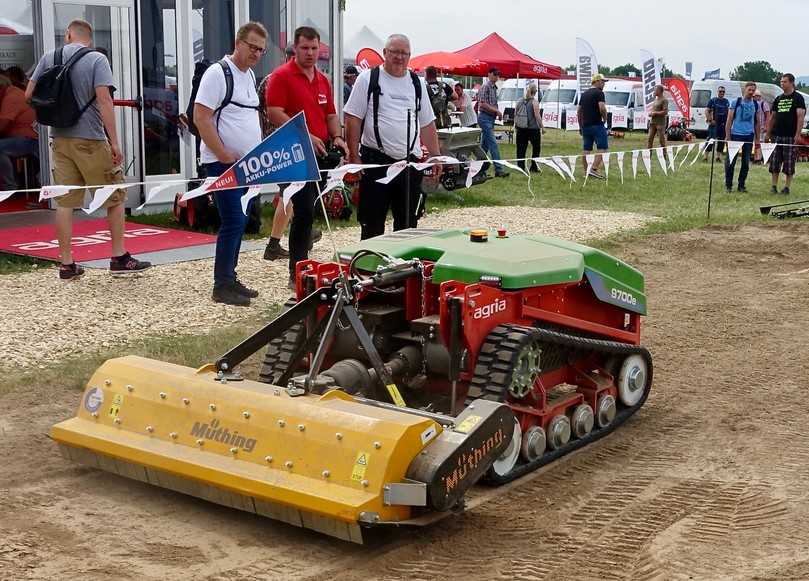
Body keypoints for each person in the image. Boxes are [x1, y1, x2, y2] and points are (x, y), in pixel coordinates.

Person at [26, 19, 151, 280]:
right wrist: (114, 142)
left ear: (68, 35)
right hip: (91, 139)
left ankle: (67, 264)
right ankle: (118, 257)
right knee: (114, 197)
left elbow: (29, 95)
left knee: (65, 202)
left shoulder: (50, 56)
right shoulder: (96, 59)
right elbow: (104, 99)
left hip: (59, 138)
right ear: (89, 39)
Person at [264, 26, 347, 288]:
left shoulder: (322, 80)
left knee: (309, 211)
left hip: (322, 153)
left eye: (314, 48)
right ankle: (297, 271)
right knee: (302, 212)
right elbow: (274, 112)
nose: (310, 53)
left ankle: (302, 263)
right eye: (305, 48)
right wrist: (305, 134)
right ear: (295, 49)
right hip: (295, 153)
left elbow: (331, 114)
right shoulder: (282, 76)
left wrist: (337, 137)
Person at [194, 22, 266, 305]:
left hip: (245, 166)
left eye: (261, 50)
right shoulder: (217, 73)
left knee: (240, 220)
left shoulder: (248, 76)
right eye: (252, 47)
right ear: (238, 43)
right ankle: (221, 284)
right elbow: (201, 117)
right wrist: (223, 153)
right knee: (234, 220)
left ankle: (230, 277)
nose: (257, 54)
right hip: (222, 164)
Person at [344, 34, 442, 239]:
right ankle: (368, 266)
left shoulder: (417, 83)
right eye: (394, 52)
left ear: (409, 56)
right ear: (385, 53)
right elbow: (353, 118)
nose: (399, 57)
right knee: (372, 224)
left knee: (408, 226)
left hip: (409, 164)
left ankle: (405, 268)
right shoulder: (367, 79)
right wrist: (354, 155)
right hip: (375, 163)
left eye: (404, 53)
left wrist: (435, 156)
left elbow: (427, 123)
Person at [767, 73, 806, 195]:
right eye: (781, 82)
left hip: (791, 136)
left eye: (784, 82)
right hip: (777, 135)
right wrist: (768, 133)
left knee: (789, 163)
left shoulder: (798, 98)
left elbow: (800, 117)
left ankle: (787, 187)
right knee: (775, 162)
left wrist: (798, 134)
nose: (782, 84)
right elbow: (772, 117)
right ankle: (774, 186)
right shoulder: (778, 98)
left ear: (791, 83)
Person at [0, 73, 38, 190]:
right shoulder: (13, 93)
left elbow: (2, 125)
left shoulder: (12, 97)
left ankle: (9, 186)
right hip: (24, 137)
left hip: (30, 140)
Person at [724, 82, 760, 193]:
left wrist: (757, 139)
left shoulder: (755, 104)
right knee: (731, 162)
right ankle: (728, 185)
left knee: (745, 163)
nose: (751, 92)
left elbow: (757, 123)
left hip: (749, 136)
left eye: (753, 90)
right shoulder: (735, 102)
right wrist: (728, 136)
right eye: (750, 90)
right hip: (736, 135)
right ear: (745, 90)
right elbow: (729, 120)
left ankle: (741, 185)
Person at [476, 67, 508, 178]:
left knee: (484, 147)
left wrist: (497, 113)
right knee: (493, 144)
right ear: (489, 74)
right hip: (484, 118)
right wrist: (497, 111)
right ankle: (499, 170)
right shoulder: (485, 86)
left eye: (498, 75)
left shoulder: (494, 88)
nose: (497, 77)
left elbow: (493, 104)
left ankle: (479, 168)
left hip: (490, 118)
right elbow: (483, 104)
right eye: (495, 74)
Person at [577, 73, 608, 178]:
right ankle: (594, 169)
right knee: (603, 148)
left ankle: (586, 172)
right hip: (597, 125)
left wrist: (580, 125)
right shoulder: (599, 93)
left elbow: (578, 111)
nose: (604, 84)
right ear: (597, 81)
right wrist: (605, 118)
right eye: (603, 81)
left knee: (586, 149)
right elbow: (602, 108)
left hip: (585, 126)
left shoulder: (584, 94)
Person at [514, 83, 544, 172]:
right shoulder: (534, 102)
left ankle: (520, 166)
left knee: (521, 148)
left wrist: (516, 124)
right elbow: (537, 116)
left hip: (521, 128)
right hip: (533, 129)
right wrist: (542, 127)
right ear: (535, 92)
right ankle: (534, 167)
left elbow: (515, 114)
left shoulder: (519, 101)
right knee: (536, 148)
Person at [704, 86, 729, 161]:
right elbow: (706, 110)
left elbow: (728, 112)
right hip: (714, 125)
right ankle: (705, 156)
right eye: (720, 91)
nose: (721, 93)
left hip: (723, 125)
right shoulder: (713, 100)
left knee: (721, 141)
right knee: (711, 140)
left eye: (723, 92)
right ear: (717, 92)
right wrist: (710, 120)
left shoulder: (726, 101)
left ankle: (718, 157)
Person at [647, 85, 669, 156]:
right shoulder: (655, 99)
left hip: (660, 123)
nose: (654, 91)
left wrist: (655, 113)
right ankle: (648, 155)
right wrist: (651, 113)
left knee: (661, 140)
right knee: (650, 138)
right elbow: (654, 110)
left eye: (655, 90)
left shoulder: (664, 100)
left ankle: (664, 155)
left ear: (659, 91)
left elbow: (665, 112)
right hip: (653, 122)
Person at [752, 91, 771, 163]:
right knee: (756, 142)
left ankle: (759, 158)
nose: (755, 97)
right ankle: (756, 157)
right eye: (754, 96)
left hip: (762, 127)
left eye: (756, 96)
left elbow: (768, 116)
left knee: (760, 142)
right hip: (754, 127)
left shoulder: (764, 104)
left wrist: (766, 126)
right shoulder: (753, 103)